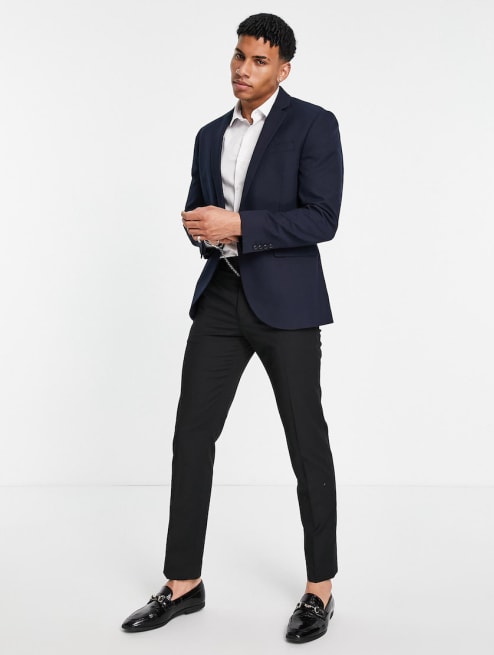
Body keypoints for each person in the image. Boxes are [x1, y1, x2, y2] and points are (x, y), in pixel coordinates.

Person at [121, 12, 343, 644]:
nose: (244, 69)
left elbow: (322, 218)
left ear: (283, 70)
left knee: (306, 441)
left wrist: (239, 225)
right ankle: (183, 583)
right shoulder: (208, 134)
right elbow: (201, 207)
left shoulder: (314, 124)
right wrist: (200, 227)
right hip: (221, 296)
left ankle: (320, 589)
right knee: (192, 436)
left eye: (260, 61)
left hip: (288, 306)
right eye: (239, 56)